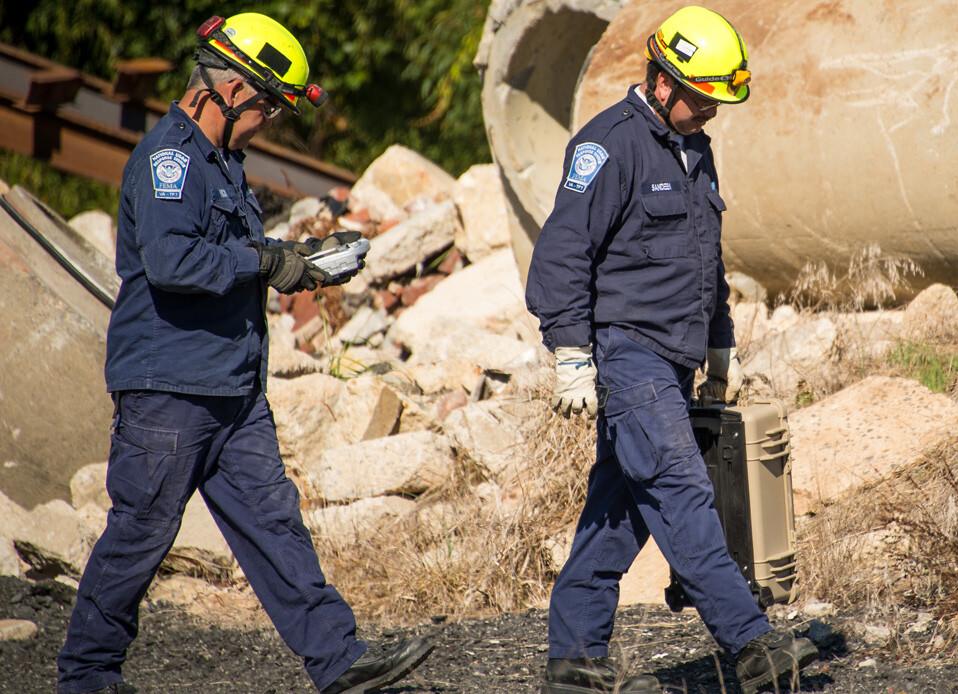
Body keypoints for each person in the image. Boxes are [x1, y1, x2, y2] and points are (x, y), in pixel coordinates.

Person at [56, 13, 432, 694]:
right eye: (266, 107)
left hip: (231, 387)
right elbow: (172, 261)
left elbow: (239, 260)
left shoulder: (225, 162)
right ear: (225, 90)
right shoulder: (167, 160)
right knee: (142, 533)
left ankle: (339, 660)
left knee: (273, 523)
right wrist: (266, 260)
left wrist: (300, 264)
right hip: (170, 387)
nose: (266, 122)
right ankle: (87, 676)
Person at [525, 6, 820, 694]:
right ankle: (751, 647)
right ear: (661, 80)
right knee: (682, 492)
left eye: (718, 103)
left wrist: (721, 346)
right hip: (628, 355)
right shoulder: (609, 145)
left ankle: (573, 659)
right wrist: (571, 353)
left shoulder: (694, 148)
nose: (710, 113)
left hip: (676, 359)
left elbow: (703, 259)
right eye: (702, 98)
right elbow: (561, 254)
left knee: (620, 512)